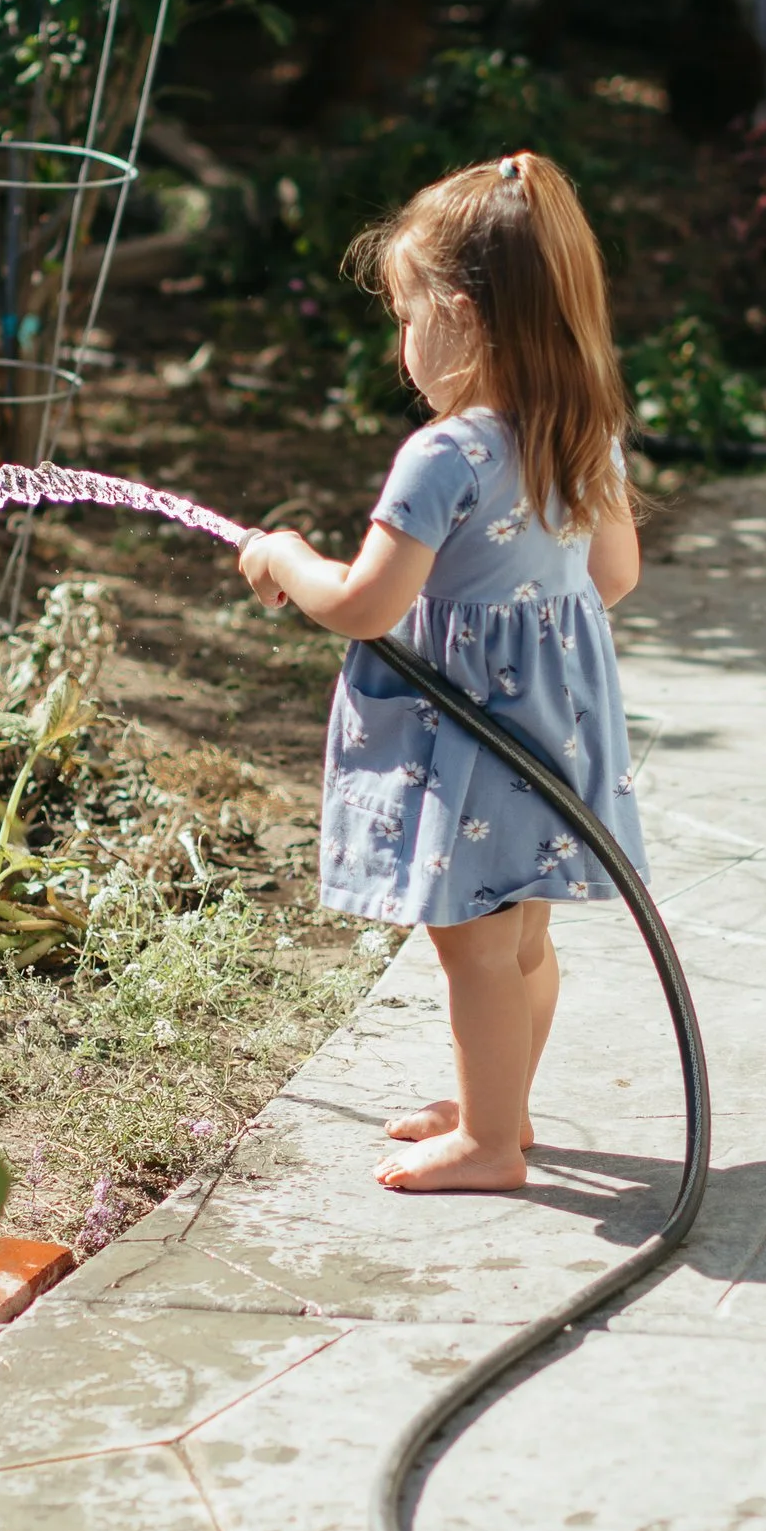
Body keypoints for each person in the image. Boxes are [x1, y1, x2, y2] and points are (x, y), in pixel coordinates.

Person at [236, 149, 645, 1193]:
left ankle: (491, 1144)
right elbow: (614, 575)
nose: (401, 338)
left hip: (467, 731)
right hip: (554, 724)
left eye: (407, 312)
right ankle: (492, 1106)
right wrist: (528, 617)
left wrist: (285, 556)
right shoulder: (580, 426)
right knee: (519, 941)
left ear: (462, 315)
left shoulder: (445, 455)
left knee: (469, 944)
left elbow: (365, 605)